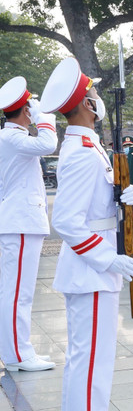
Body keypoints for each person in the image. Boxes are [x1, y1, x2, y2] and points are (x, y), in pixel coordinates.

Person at [40, 57, 133, 411]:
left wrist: (123, 201)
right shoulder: (81, 152)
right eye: (95, 94)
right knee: (88, 363)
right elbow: (64, 221)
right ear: (85, 102)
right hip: (91, 270)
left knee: (98, 363)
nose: (99, 99)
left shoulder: (89, 144)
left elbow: (95, 205)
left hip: (97, 270)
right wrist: (108, 258)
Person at [0, 77, 57, 373]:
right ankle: (18, 355)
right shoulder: (13, 137)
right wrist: (45, 119)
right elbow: (48, 143)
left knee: (15, 291)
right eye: (31, 107)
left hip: (18, 221)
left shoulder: (9, 137)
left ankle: (16, 351)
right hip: (20, 222)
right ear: (24, 112)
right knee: (17, 293)